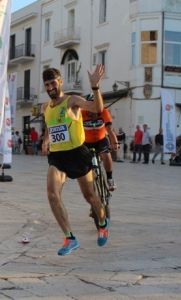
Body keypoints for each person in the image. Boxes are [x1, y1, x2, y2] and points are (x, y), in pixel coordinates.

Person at [40, 65, 109, 255]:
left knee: (90, 197)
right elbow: (50, 126)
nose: (50, 87)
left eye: (53, 83)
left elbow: (97, 108)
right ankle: (69, 238)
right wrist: (45, 142)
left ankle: (102, 223)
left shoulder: (72, 101)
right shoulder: (45, 107)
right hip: (58, 157)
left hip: (78, 154)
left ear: (60, 82)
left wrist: (95, 87)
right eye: (47, 84)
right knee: (53, 195)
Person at [81, 94, 119, 191]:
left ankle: (110, 178)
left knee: (106, 155)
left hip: (101, 140)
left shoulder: (104, 112)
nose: (92, 113)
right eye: (90, 109)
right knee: (85, 163)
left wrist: (114, 142)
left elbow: (110, 129)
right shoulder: (81, 114)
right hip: (86, 142)